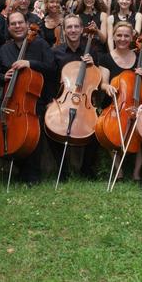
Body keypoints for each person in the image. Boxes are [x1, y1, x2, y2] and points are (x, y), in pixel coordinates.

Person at [0, 11, 55, 184]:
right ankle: (15, 166)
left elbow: (51, 68)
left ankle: (32, 173)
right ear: (9, 27)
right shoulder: (5, 49)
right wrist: (3, 76)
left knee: (33, 131)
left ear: (27, 25)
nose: (17, 26)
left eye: (20, 23)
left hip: (36, 100)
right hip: (10, 101)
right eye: (13, 24)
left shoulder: (40, 45)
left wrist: (30, 63)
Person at [48, 14, 101, 180]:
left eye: (76, 27)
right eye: (69, 27)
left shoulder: (91, 50)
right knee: (50, 126)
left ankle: (86, 168)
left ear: (81, 29)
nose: (73, 30)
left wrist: (93, 66)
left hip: (84, 100)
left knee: (97, 128)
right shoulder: (56, 52)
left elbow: (96, 81)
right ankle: (62, 170)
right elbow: (50, 79)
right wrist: (51, 101)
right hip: (63, 99)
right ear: (64, 31)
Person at [97, 21, 142, 181]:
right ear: (113, 37)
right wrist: (108, 88)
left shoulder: (141, 57)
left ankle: (136, 173)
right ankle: (118, 171)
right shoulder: (106, 58)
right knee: (107, 128)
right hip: (115, 102)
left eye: (126, 35)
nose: (122, 38)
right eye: (119, 35)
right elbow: (103, 82)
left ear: (132, 37)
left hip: (136, 103)